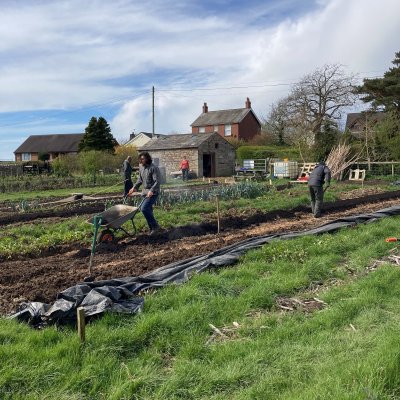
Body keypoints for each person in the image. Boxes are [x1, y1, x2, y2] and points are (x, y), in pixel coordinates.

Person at [129, 152, 162, 235]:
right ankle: (152, 229)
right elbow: (140, 180)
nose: (141, 160)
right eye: (140, 159)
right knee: (148, 210)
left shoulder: (153, 168)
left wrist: (151, 190)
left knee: (144, 208)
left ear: (147, 158)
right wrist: (134, 188)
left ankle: (155, 227)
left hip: (153, 192)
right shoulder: (141, 167)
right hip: (144, 192)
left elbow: (157, 181)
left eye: (143, 158)